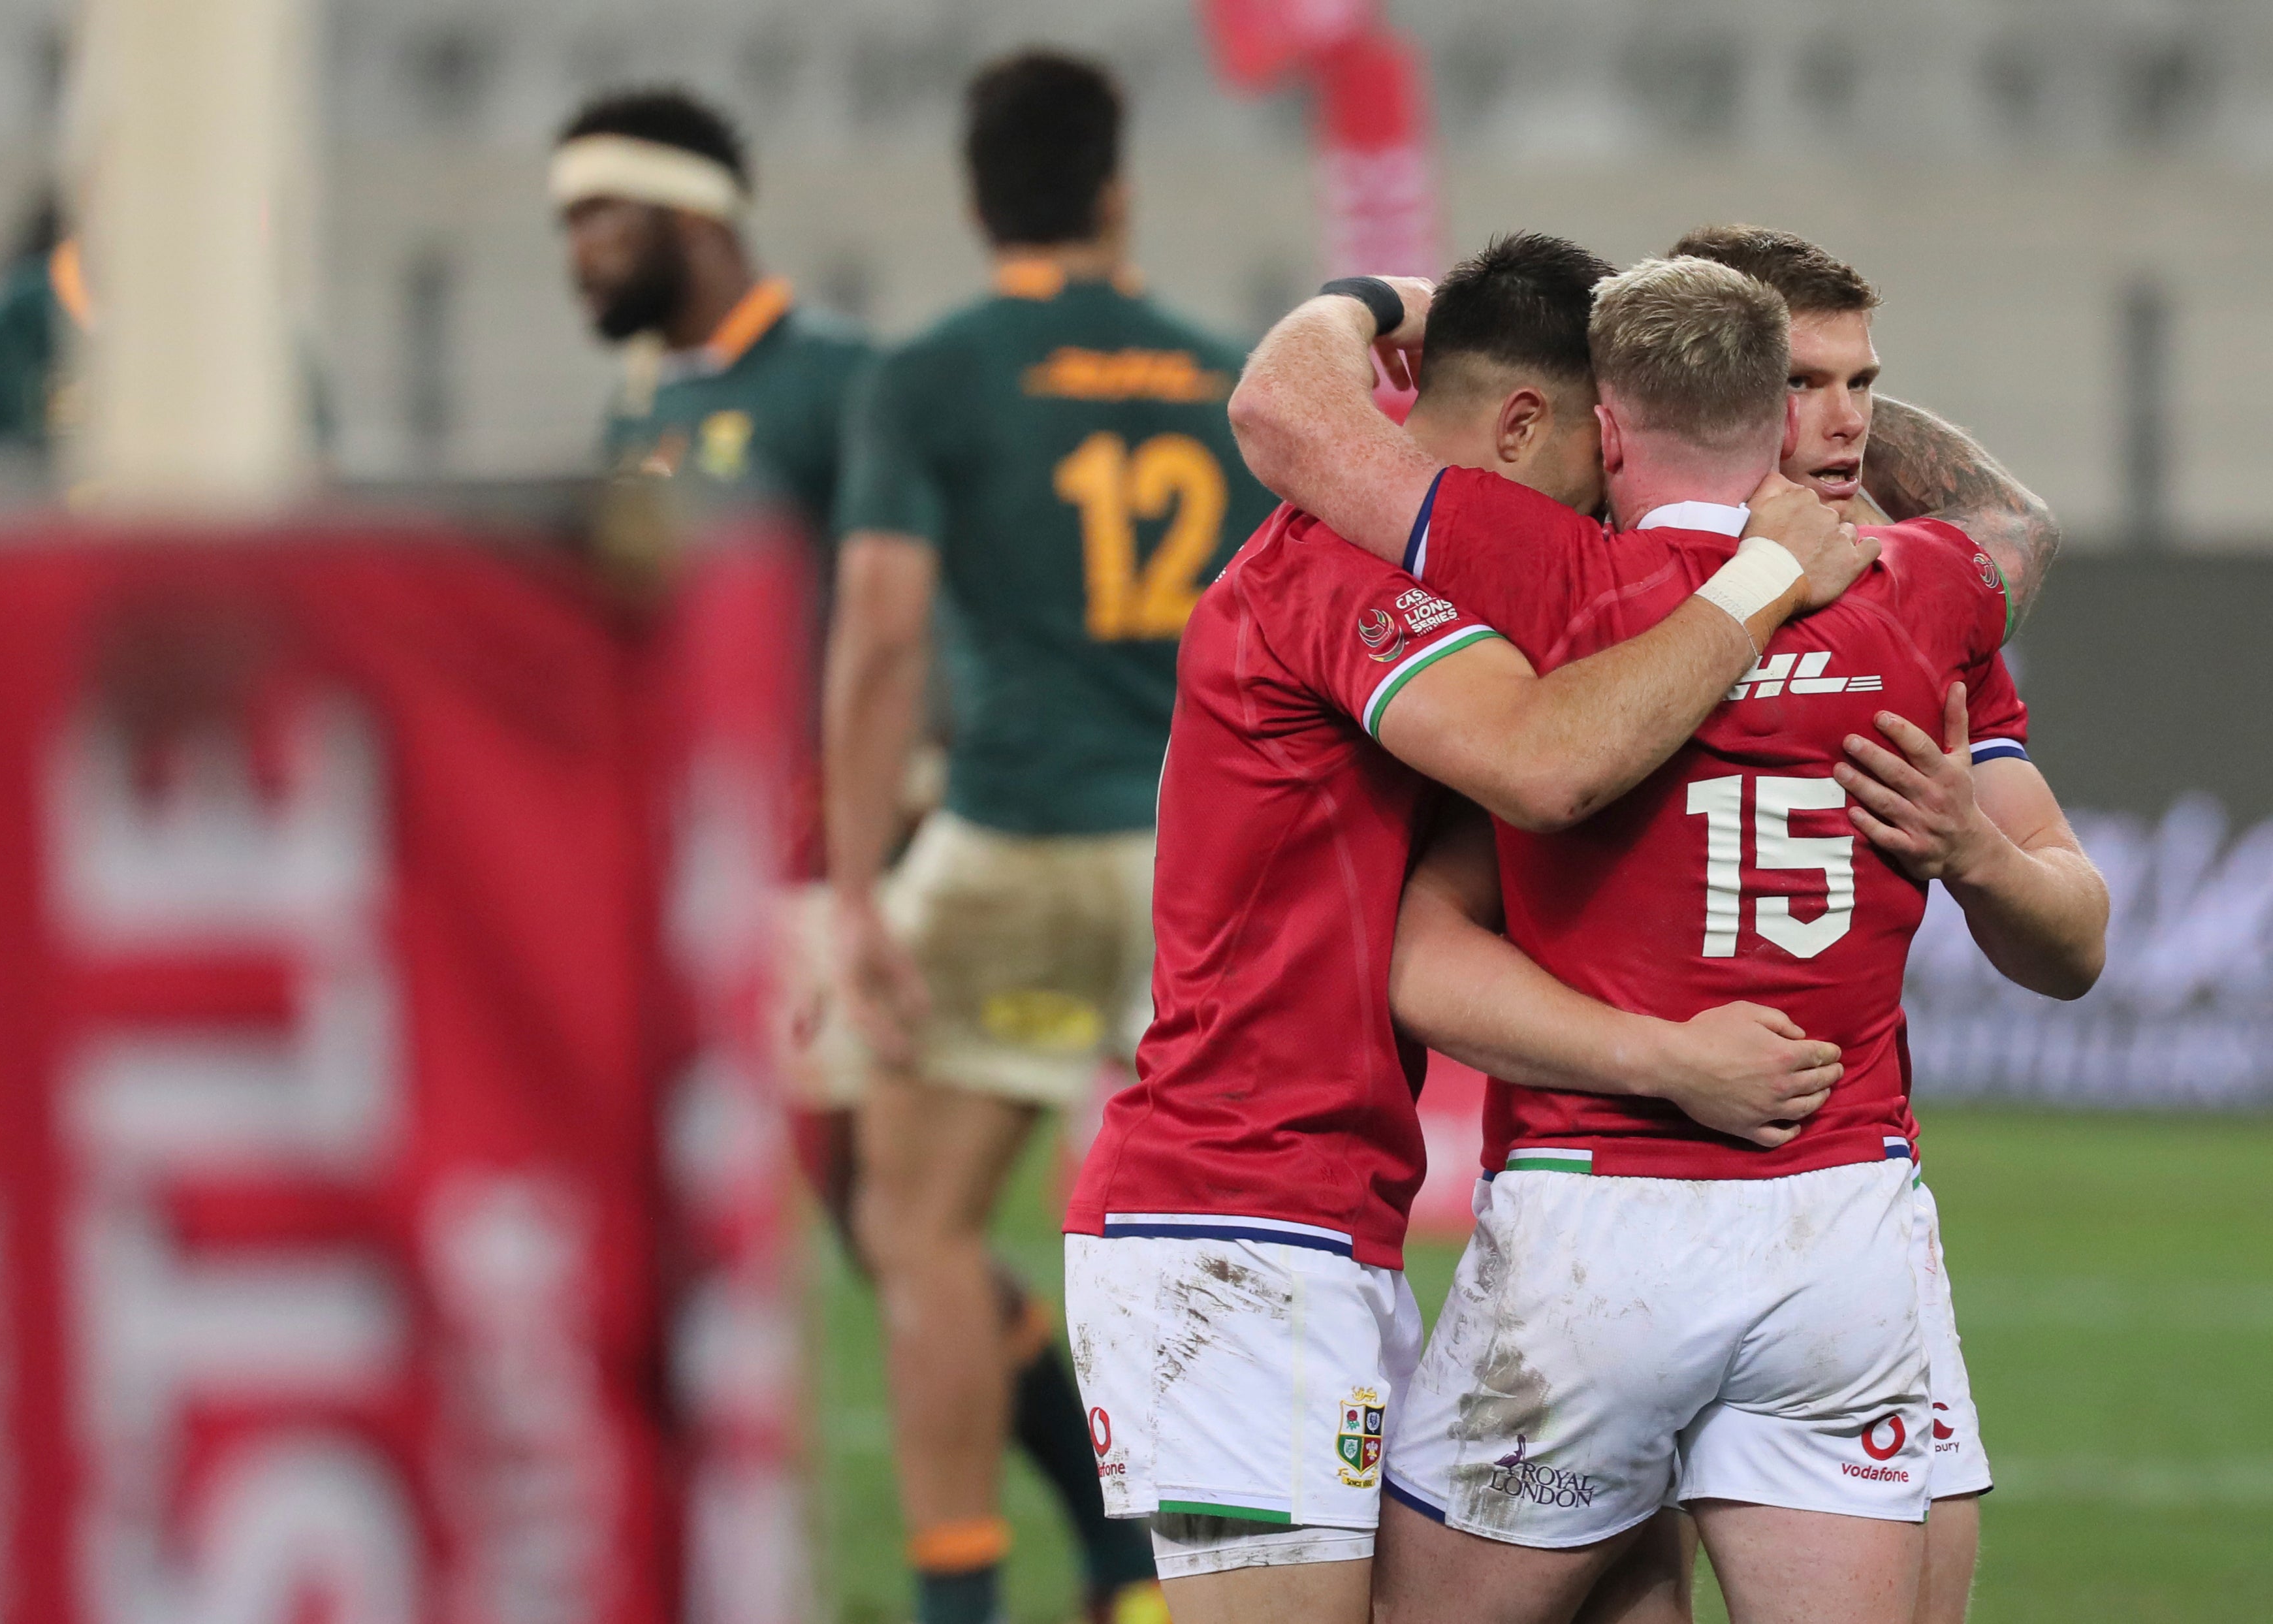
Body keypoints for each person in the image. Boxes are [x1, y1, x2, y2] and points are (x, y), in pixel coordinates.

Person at [1236, 254, 2108, 1624]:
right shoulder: (1924, 589)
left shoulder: (1547, 576)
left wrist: (1373, 302)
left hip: (1601, 1216)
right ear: (1775, 421)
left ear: (1612, 430)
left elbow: (1293, 421)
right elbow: (2013, 522)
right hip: (1840, 1214)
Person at [1063, 233, 1875, 1624]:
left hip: (1322, 1210)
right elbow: (1546, 763)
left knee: (1619, 1577)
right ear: (1520, 425)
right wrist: (1755, 586)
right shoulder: (1341, 571)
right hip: (1228, 1229)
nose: (1601, 517)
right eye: (1596, 461)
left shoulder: (1391, 570)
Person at [554, 84, 1160, 1624]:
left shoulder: (842, 381)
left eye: (600, 217)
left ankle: (1065, 1557)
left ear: (692, 214)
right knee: (887, 1234)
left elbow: (919, 612)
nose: (577, 251)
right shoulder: (645, 406)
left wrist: (902, 823)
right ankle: (1108, 1543)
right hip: (724, 874)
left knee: (903, 1229)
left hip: (857, 867)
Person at [822, 51, 1275, 1624]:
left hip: (1009, 841)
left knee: (922, 1226)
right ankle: (1196, 1579)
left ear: (973, 201)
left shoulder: (934, 373)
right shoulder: (1224, 379)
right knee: (1226, 1242)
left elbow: (883, 633)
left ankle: (964, 1601)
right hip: (1190, 873)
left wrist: (852, 882)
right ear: (1113, 192)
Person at [1657, 221, 2071, 1624]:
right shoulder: (1586, 576)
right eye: (1799, 382)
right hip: (1608, 1209)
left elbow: (2070, 934)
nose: (1843, 424)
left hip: (1847, 1218)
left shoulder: (1919, 605)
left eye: (1862, 384)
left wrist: (1975, 851)